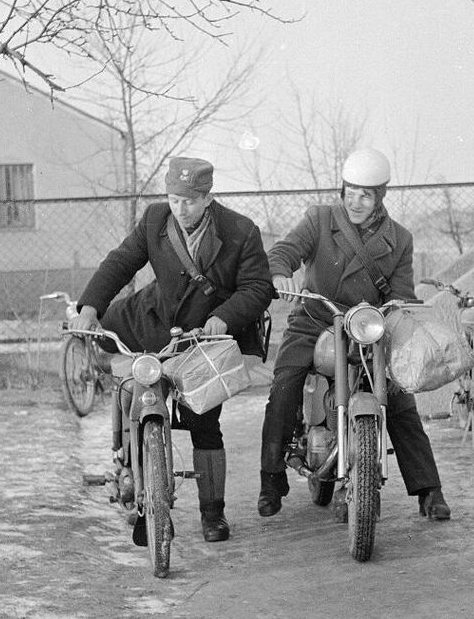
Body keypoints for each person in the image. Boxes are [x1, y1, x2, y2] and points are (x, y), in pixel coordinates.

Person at [71, 157, 274, 544]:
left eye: (191, 202)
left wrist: (224, 318)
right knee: (137, 397)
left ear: (208, 198)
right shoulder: (154, 219)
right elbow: (120, 263)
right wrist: (90, 308)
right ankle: (143, 498)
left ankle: (213, 514)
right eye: (174, 199)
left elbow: (258, 287)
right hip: (152, 322)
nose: (181, 209)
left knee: (204, 421)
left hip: (204, 339)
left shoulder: (240, 231)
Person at [257, 147, 452, 521]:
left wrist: (394, 316)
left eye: (366, 194)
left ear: (380, 197)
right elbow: (284, 251)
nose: (356, 201)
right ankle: (271, 478)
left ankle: (430, 490)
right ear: (342, 188)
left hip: (367, 327)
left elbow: (400, 294)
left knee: (396, 398)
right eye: (351, 191)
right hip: (315, 318)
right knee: (285, 384)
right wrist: (280, 272)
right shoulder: (319, 219)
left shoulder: (400, 239)